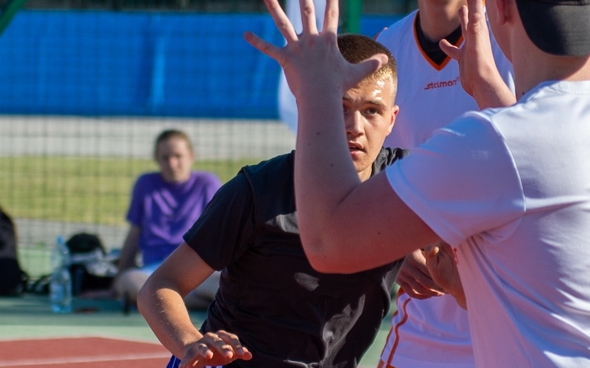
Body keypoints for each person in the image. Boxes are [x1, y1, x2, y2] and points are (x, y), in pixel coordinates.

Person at [246, 0, 590, 367]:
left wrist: (315, 94)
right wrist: (488, 88)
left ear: (496, 1)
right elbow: (542, 170)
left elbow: (329, 242)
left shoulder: (494, 142)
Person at [138, 34, 407, 368]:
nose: (355, 126)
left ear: (392, 118)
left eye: (371, 111)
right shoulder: (257, 191)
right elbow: (160, 286)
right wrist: (191, 342)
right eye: (340, 108)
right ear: (313, 109)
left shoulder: (406, 182)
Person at [373, 0, 513, 368]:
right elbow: (360, 173)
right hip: (423, 326)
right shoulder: (382, 55)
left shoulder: (516, 46)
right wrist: (393, 248)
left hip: (512, 317)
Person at [114, 129, 220, 310]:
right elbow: (134, 234)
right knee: (128, 281)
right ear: (157, 159)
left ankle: (165, 305)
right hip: (155, 272)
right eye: (165, 157)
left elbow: (223, 231)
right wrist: (118, 276)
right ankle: (196, 304)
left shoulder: (207, 184)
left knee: (222, 284)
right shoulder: (145, 184)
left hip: (197, 268)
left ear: (191, 156)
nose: (172, 163)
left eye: (178, 156)